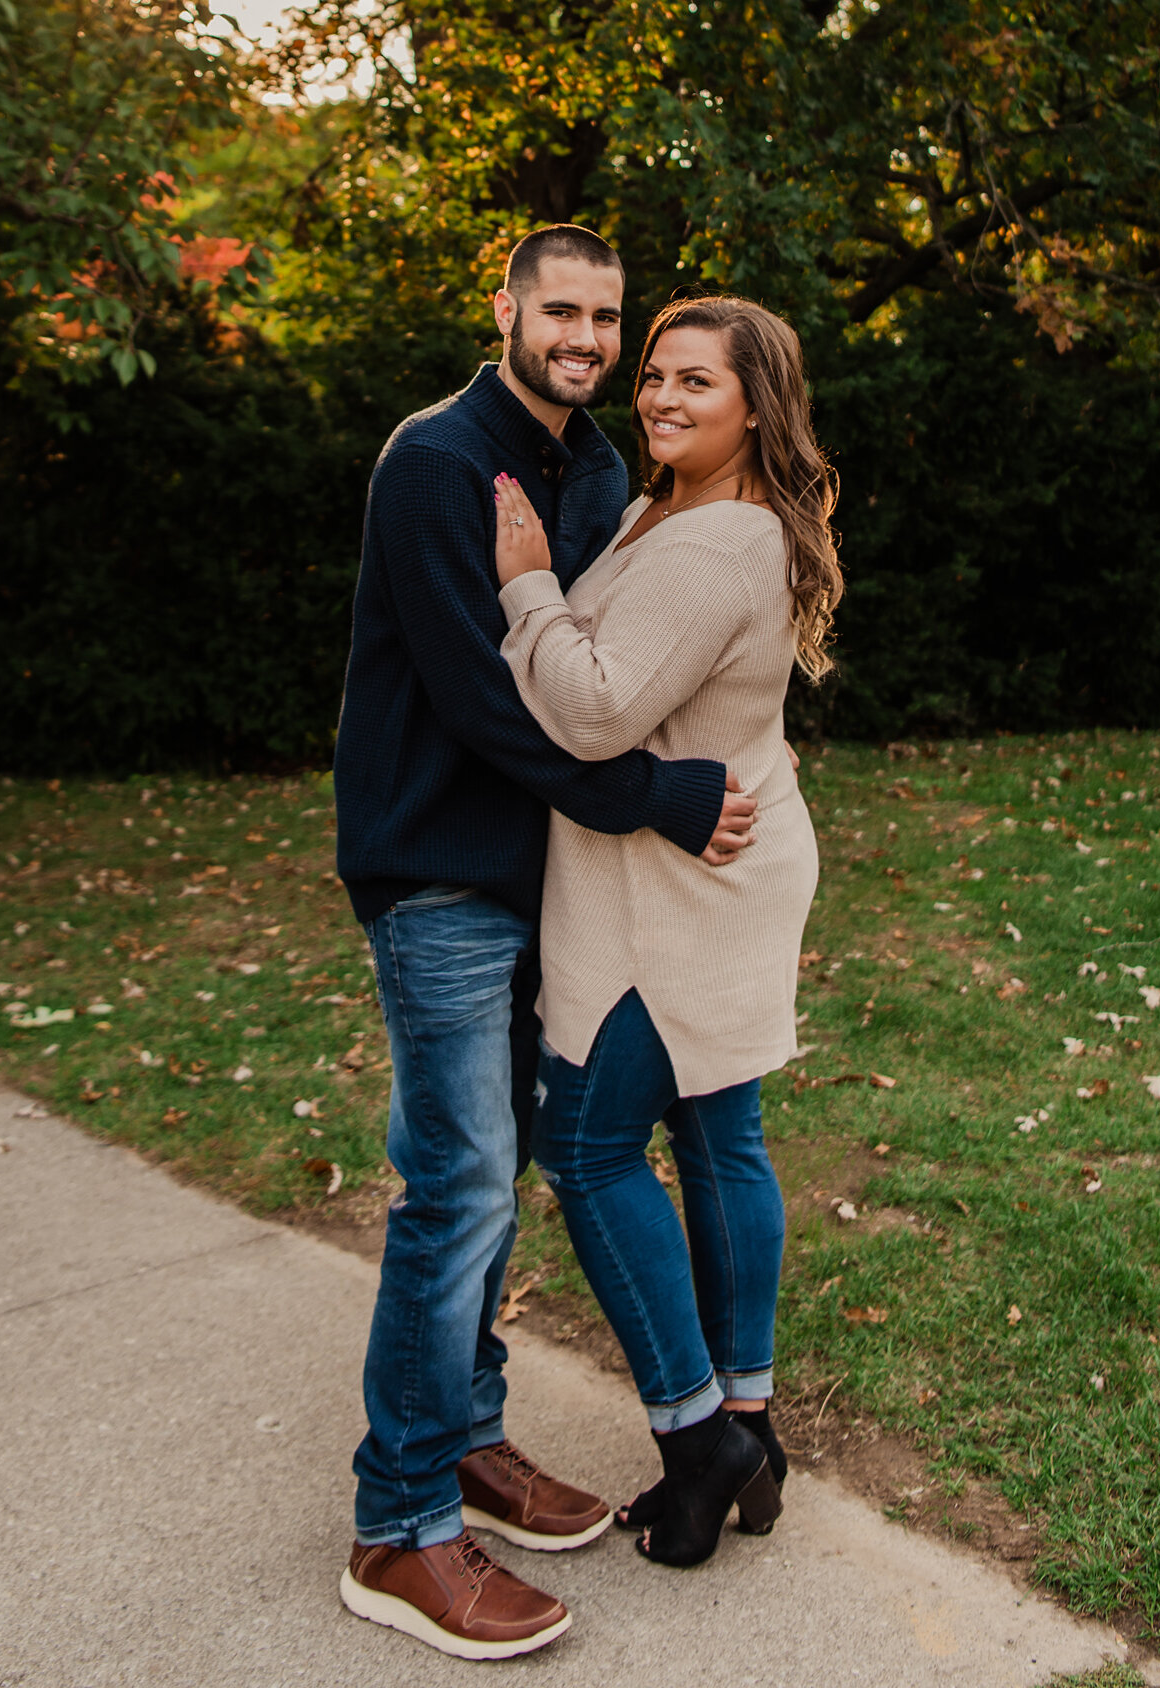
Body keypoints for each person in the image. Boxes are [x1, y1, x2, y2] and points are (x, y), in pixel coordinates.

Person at [332, 227, 760, 1659]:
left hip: (546, 878)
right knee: (455, 1188)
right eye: (559, 310)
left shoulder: (588, 468)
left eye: (604, 317)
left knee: (493, 1179)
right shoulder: (439, 463)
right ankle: (397, 1525)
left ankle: (462, 1433)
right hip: (442, 877)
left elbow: (598, 674)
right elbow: (492, 705)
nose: (583, 337)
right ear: (506, 310)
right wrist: (667, 800)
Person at [493, 292, 843, 1569]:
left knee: (585, 1147)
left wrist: (526, 581)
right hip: (714, 850)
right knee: (715, 1127)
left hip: (681, 887)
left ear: (758, 402)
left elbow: (591, 712)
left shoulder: (716, 543)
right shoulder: (671, 507)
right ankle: (747, 1419)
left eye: (697, 380)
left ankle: (699, 1439)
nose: (661, 395)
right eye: (655, 373)